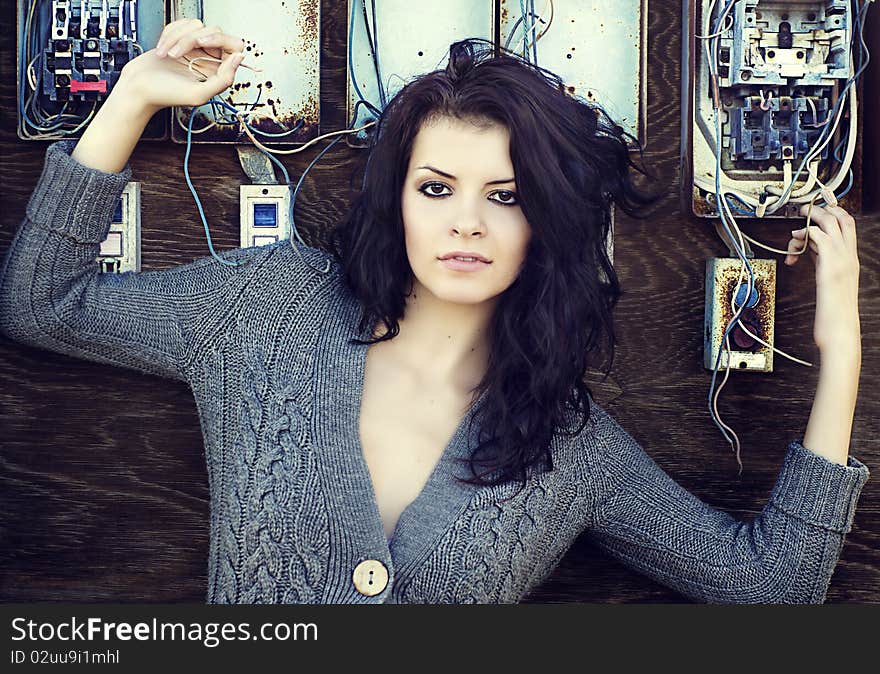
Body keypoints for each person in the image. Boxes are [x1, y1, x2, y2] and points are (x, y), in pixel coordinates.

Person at [0, 18, 869, 604]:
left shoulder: (567, 447)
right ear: (398, 200)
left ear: (548, 225)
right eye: (436, 187)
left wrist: (843, 358)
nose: (466, 220)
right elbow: (42, 304)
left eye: (507, 194)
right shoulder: (267, 308)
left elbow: (770, 587)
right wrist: (135, 96)